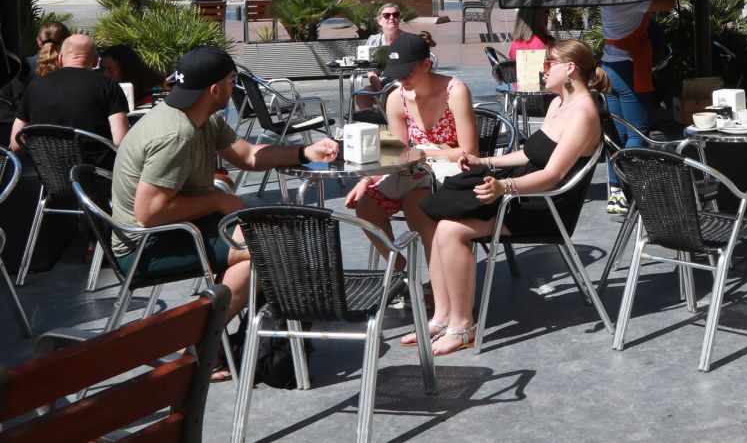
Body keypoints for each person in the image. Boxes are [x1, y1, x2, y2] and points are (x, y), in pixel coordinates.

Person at [109, 47, 338, 367]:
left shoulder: (199, 117)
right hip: (145, 246)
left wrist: (304, 152)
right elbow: (149, 213)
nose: (234, 89)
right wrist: (217, 199)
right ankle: (199, 341)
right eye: (231, 82)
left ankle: (241, 338)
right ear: (215, 90)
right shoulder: (176, 134)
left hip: (175, 228)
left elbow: (248, 155)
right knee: (268, 250)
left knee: (272, 237)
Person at [417, 40, 608, 355]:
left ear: (570, 68)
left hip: (545, 205)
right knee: (437, 214)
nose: (541, 68)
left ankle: (463, 325)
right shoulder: (558, 103)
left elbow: (553, 175)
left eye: (548, 62)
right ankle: (443, 315)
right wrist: (485, 163)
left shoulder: (584, 113)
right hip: (522, 192)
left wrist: (503, 188)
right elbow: (529, 154)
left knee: (451, 229)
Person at [345, 34, 476, 286]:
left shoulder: (454, 92)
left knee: (418, 204)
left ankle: (439, 288)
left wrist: (425, 152)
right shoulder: (396, 97)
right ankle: (402, 272)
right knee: (366, 205)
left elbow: (469, 153)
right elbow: (397, 149)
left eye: (407, 73)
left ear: (426, 64)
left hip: (452, 173)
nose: (401, 79)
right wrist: (368, 178)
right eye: (396, 74)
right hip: (415, 168)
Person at [600, 0, 675, 214]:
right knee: (637, 133)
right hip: (629, 69)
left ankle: (617, 191)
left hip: (609, 66)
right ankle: (636, 189)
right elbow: (669, 3)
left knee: (618, 135)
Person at [10, 34, 129, 152]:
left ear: (60, 59)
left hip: (45, 169)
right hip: (95, 169)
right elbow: (120, 143)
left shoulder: (34, 86)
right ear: (96, 60)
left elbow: (16, 145)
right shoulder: (108, 86)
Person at [100, 44, 166, 108]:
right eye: (103, 70)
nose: (105, 74)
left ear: (126, 69)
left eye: (110, 70)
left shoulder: (153, 93)